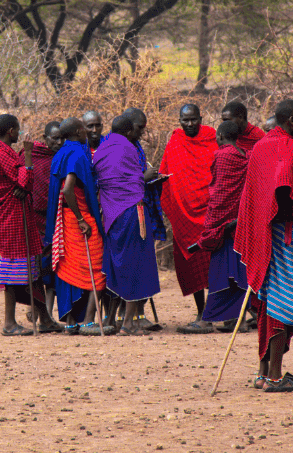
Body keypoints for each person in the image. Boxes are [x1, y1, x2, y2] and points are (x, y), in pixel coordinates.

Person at [235, 99, 293, 392]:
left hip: (262, 236)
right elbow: (282, 188)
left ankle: (264, 372)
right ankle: (276, 378)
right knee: (287, 304)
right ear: (291, 120)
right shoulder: (288, 148)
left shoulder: (261, 146)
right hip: (282, 234)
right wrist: (286, 218)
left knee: (269, 302)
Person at [94, 115, 161, 335]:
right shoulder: (129, 148)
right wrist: (147, 177)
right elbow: (133, 182)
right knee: (137, 265)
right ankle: (128, 323)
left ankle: (125, 321)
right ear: (128, 132)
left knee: (120, 264)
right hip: (133, 212)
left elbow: (105, 182)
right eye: (136, 130)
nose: (138, 134)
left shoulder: (101, 150)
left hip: (111, 216)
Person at [159, 103, 218, 333]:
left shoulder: (212, 139)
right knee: (192, 264)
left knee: (216, 266)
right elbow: (166, 175)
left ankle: (219, 313)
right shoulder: (175, 142)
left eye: (194, 119)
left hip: (211, 214)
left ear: (201, 118)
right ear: (180, 121)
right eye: (185, 120)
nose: (190, 124)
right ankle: (202, 312)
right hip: (184, 216)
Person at [46, 117, 107, 332]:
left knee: (68, 269)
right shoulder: (77, 153)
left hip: (64, 219)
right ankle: (89, 321)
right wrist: (82, 219)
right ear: (79, 131)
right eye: (85, 127)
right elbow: (68, 190)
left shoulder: (61, 152)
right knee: (99, 267)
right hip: (77, 219)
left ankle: (71, 323)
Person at [196, 120, 254, 333]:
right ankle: (236, 320)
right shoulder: (246, 156)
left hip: (224, 223)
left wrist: (212, 225)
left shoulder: (222, 156)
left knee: (219, 272)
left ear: (219, 136)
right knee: (239, 269)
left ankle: (208, 319)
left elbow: (219, 193)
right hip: (241, 223)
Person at [0, 113, 42, 337]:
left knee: (28, 268)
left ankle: (44, 317)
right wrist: (28, 154)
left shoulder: (4, 151)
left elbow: (22, 183)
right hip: (10, 218)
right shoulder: (2, 153)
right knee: (11, 271)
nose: (19, 133)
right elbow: (26, 182)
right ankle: (9, 323)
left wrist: (22, 183)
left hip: (16, 216)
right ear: (11, 131)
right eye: (18, 130)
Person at [30, 122, 64, 329]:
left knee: (52, 268)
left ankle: (47, 317)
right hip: (34, 220)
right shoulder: (32, 156)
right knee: (35, 270)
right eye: (54, 138)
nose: (58, 142)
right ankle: (36, 310)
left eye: (61, 138)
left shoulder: (62, 158)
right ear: (45, 138)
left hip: (56, 220)